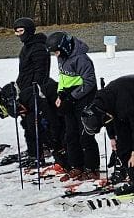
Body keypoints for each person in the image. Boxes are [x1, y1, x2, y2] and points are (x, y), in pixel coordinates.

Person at [48, 31, 100, 172]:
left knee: (85, 135)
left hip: (84, 97)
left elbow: (89, 82)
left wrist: (72, 97)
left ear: (64, 47)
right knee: (70, 134)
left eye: (57, 52)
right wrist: (61, 94)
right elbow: (63, 77)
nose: (56, 55)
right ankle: (77, 165)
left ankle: (91, 167)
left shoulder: (82, 59)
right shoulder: (62, 57)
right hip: (69, 97)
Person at [13, 17, 55, 167]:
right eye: (16, 31)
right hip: (25, 89)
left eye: (21, 31)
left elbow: (40, 71)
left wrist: (35, 90)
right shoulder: (27, 46)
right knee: (26, 122)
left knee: (33, 123)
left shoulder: (37, 47)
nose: (18, 34)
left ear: (29, 30)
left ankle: (39, 152)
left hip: (35, 91)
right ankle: (34, 151)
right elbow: (24, 71)